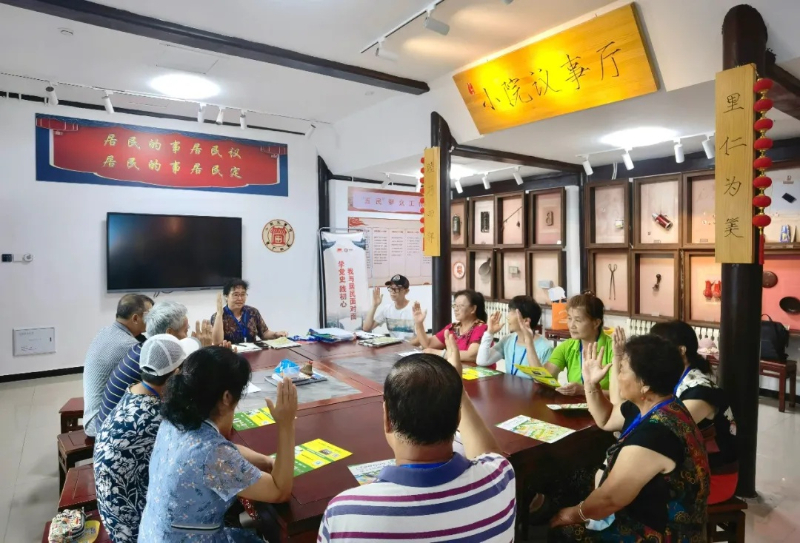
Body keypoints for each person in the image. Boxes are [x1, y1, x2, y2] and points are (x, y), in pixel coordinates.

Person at [318, 332, 516, 542]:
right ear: (458, 418)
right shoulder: (500, 479)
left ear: (387, 419)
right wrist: (458, 390)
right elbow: (489, 454)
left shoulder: (345, 514)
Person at [549, 335, 710, 542]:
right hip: (643, 509)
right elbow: (606, 418)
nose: (617, 375)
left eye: (623, 369)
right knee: (565, 480)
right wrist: (590, 383)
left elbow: (609, 499)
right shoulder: (660, 404)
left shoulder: (656, 435)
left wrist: (571, 515)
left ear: (644, 384)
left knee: (564, 531)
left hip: (662, 533)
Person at [139, 347, 297, 542]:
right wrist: (286, 424)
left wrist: (266, 461)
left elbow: (222, 450)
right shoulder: (213, 455)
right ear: (227, 397)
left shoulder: (174, 421)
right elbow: (279, 491)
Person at [94, 334, 186, 543]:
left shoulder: (133, 391)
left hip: (113, 515)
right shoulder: (156, 417)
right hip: (135, 530)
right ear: (175, 375)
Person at [650, 320, 738, 504]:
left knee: (635, 489)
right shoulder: (673, 380)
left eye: (658, 348)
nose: (652, 354)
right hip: (687, 467)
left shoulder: (700, 390)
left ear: (681, 350)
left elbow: (663, 430)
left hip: (713, 477)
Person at [96, 301, 213, 429]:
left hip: (112, 426)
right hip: (119, 428)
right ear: (170, 334)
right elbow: (188, 399)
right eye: (186, 331)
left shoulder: (145, 350)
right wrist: (204, 357)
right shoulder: (156, 363)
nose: (187, 336)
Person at [83, 294, 153, 437]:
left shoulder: (106, 331)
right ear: (135, 318)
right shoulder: (129, 346)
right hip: (99, 422)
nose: (153, 320)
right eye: (150, 315)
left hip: (91, 413)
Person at [547, 292, 615, 396]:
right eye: (569, 318)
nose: (571, 325)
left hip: (604, 405)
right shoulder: (567, 346)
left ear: (596, 323)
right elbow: (546, 376)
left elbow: (621, 395)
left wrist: (584, 390)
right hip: (574, 404)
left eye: (578, 320)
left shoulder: (613, 349)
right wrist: (529, 343)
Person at [476, 295, 554, 374]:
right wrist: (489, 333)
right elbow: (482, 361)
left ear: (526, 320)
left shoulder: (545, 347)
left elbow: (544, 379)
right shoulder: (508, 340)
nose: (507, 317)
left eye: (512, 313)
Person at [412, 289, 488, 363]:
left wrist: (439, 353)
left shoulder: (481, 327)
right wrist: (419, 324)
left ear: (473, 309)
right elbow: (428, 344)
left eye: (460, 306)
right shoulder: (453, 328)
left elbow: (471, 355)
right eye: (455, 305)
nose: (456, 309)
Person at [211, 278, 287, 345]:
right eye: (236, 295)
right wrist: (219, 315)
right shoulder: (217, 316)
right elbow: (217, 342)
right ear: (226, 296)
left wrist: (276, 334)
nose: (240, 298)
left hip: (252, 353)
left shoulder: (252, 312)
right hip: (230, 354)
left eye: (243, 294)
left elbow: (264, 333)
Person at [362, 274, 417, 343]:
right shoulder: (387, 309)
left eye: (397, 288)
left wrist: (404, 347)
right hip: (394, 347)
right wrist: (374, 306)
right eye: (391, 288)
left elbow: (420, 338)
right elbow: (366, 328)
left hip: (410, 347)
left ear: (406, 291)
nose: (393, 292)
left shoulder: (414, 309)